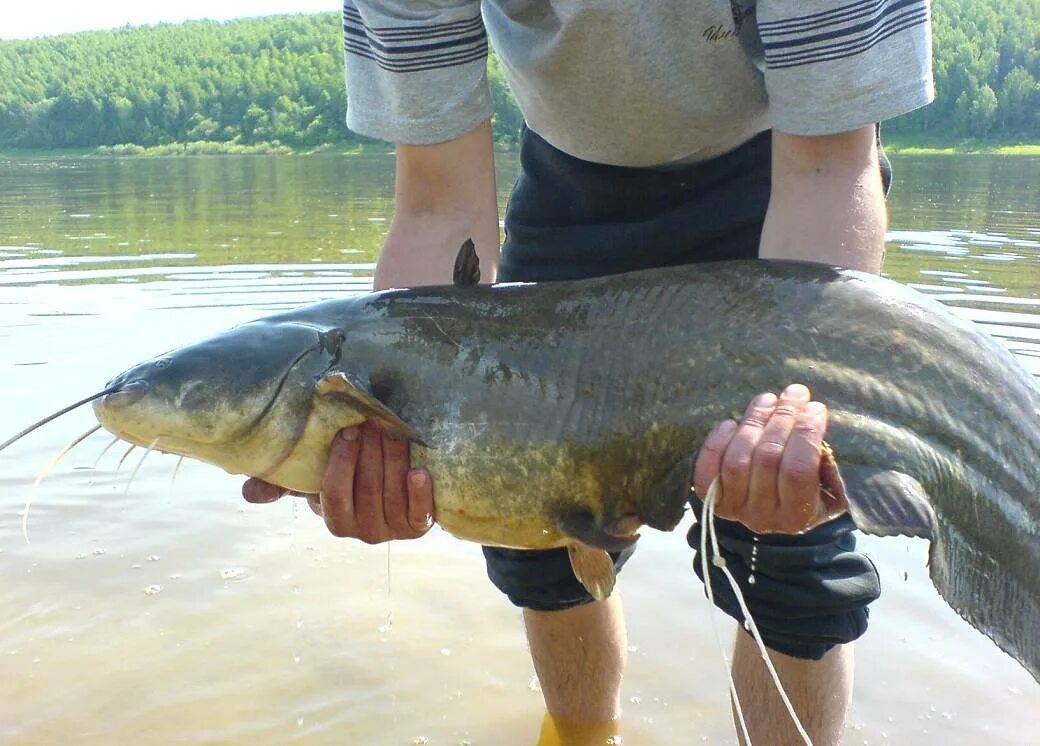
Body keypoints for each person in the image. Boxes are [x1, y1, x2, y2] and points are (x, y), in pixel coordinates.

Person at [244, 2, 933, 743]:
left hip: (780, 169)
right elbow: (439, 203)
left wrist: (801, 404)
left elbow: (829, 165)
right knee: (534, 539)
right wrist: (387, 426)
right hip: (573, 178)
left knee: (790, 550)